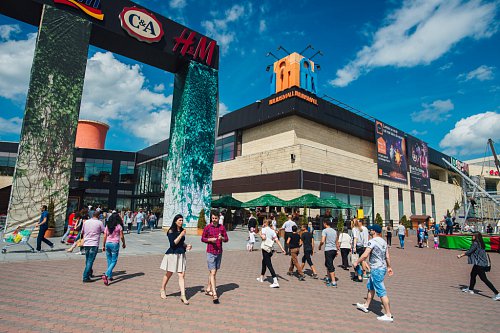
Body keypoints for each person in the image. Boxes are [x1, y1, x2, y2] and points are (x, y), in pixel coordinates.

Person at [355, 224, 394, 322]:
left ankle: (388, 314)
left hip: (377, 269)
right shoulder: (383, 242)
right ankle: (366, 305)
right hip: (381, 267)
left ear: (375, 231)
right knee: (371, 287)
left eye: (371, 230)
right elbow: (387, 256)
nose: (369, 231)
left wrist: (357, 262)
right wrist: (389, 266)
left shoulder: (372, 242)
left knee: (381, 291)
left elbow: (365, 255)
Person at [457, 232, 499, 301]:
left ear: (476, 236)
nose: (472, 236)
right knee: (472, 274)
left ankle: (497, 293)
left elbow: (470, 251)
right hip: (480, 263)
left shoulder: (475, 243)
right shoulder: (481, 243)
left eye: (473, 235)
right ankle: (470, 289)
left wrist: (461, 255)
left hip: (480, 264)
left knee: (484, 279)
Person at [160, 214, 192, 304]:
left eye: (182, 220)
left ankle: (183, 296)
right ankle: (162, 289)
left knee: (181, 275)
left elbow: (181, 243)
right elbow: (173, 244)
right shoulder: (171, 231)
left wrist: (187, 246)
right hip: (172, 254)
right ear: (175, 221)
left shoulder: (182, 230)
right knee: (169, 273)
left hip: (181, 254)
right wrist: (181, 235)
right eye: (179, 220)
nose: (181, 222)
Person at [201, 210, 229, 304]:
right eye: (212, 218)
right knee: (212, 272)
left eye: (215, 218)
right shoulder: (208, 227)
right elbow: (202, 238)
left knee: (214, 272)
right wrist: (209, 240)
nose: (214, 220)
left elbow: (227, 239)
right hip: (210, 252)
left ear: (218, 218)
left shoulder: (222, 228)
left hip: (219, 252)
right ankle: (215, 294)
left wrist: (222, 238)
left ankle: (208, 288)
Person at [257, 219, 286, 288]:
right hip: (270, 249)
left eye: (264, 222)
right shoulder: (272, 231)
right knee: (264, 262)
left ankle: (275, 281)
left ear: (266, 223)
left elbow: (263, 237)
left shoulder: (264, 229)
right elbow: (277, 241)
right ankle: (261, 277)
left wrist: (260, 233)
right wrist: (282, 249)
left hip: (265, 249)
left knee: (269, 265)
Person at [101, 212, 126, 285]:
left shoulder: (108, 226)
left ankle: (110, 276)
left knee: (109, 260)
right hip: (115, 244)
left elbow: (105, 236)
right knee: (114, 260)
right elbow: (121, 236)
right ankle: (106, 275)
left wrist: (103, 245)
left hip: (108, 243)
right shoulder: (119, 226)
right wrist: (124, 243)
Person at [81, 211, 105, 282]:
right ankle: (85, 276)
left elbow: (82, 231)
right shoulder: (99, 223)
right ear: (98, 216)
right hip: (94, 243)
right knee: (90, 260)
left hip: (86, 242)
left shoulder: (86, 222)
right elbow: (104, 231)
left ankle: (89, 272)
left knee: (88, 259)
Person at [318, 220, 339, 287]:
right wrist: (337, 250)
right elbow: (337, 241)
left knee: (330, 265)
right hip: (334, 249)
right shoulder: (334, 231)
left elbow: (323, 240)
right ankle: (328, 278)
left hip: (328, 249)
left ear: (325, 223)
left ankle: (333, 281)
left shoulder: (325, 230)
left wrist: (320, 245)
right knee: (327, 263)